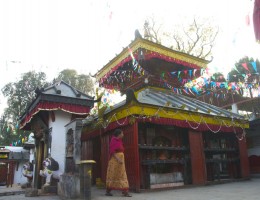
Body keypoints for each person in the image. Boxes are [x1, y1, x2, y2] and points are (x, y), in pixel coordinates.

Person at [105, 129, 132, 197]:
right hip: (115, 160)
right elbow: (112, 152)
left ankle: (125, 191)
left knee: (122, 174)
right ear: (119, 134)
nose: (123, 134)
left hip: (120, 160)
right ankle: (108, 191)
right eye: (122, 133)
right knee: (112, 175)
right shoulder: (113, 140)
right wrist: (118, 159)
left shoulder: (119, 141)